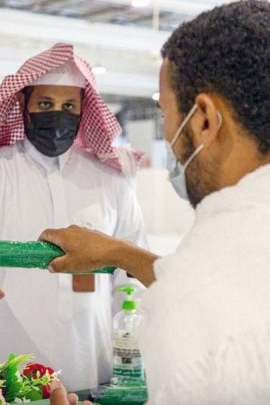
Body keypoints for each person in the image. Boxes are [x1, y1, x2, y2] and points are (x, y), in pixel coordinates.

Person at [40, 1, 270, 402]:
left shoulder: (191, 303)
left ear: (202, 119)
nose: (167, 133)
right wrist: (122, 254)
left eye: (165, 113)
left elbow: (208, 294)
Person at [0, 43, 146, 391]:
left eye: (68, 106)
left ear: (83, 110)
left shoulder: (112, 182)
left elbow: (133, 270)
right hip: (2, 376)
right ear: (23, 104)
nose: (57, 115)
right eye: (45, 104)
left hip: (94, 370)